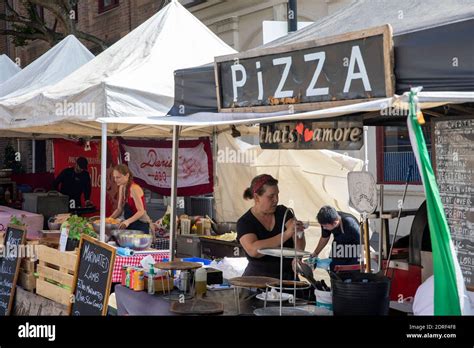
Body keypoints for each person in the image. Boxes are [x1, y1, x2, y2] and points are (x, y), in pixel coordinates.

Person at [237, 174, 306, 280]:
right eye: (271, 196)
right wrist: (286, 234)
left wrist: (298, 256)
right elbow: (254, 250)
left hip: (287, 278)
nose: (276, 200)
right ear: (256, 197)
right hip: (257, 279)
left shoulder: (283, 212)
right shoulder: (245, 222)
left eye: (277, 195)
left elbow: (296, 235)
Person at [311, 205, 360, 272]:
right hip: (338, 246)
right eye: (323, 226)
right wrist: (315, 253)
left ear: (335, 223)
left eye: (325, 226)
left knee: (351, 274)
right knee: (334, 270)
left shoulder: (350, 223)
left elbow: (363, 242)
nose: (324, 228)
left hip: (354, 249)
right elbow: (325, 237)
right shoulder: (325, 220)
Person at [109, 164, 151, 233]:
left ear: (127, 175)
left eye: (118, 177)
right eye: (114, 177)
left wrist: (127, 221)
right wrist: (109, 220)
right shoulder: (122, 187)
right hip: (130, 223)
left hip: (140, 224)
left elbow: (141, 211)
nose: (115, 180)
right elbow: (119, 209)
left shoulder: (134, 188)